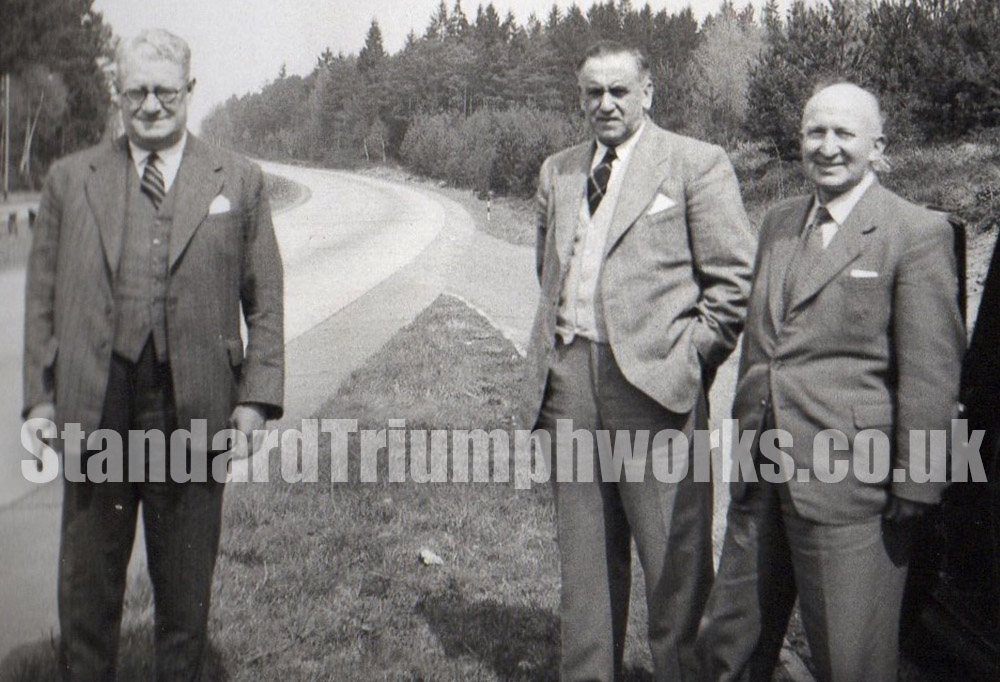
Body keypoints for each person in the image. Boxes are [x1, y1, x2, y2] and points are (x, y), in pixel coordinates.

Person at [22, 29, 284, 681]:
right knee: (87, 590)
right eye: (135, 91)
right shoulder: (69, 180)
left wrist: (255, 399)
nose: (149, 105)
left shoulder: (239, 181)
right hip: (97, 404)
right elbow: (43, 299)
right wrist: (40, 400)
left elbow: (266, 301)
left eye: (164, 91)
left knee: (185, 591)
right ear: (118, 92)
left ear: (188, 91)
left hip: (193, 406)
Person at [697, 82, 965, 682]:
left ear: (878, 147)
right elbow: (762, 351)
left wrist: (917, 483)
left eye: (844, 133)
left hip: (852, 490)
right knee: (728, 647)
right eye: (815, 132)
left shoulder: (915, 232)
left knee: (850, 661)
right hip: (762, 474)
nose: (827, 146)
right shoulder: (778, 223)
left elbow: (931, 372)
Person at [523, 40, 755, 682]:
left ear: (647, 94)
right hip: (571, 384)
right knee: (585, 562)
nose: (605, 104)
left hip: (655, 391)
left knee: (673, 564)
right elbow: (547, 269)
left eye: (619, 91)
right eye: (592, 92)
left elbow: (735, 281)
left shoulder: (695, 164)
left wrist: (687, 359)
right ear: (579, 98)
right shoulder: (558, 171)